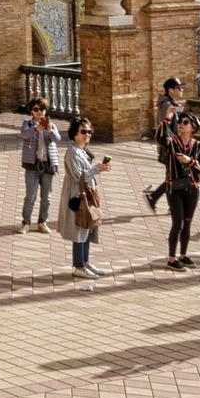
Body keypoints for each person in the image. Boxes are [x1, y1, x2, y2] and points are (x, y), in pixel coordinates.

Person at [56, 116, 111, 278]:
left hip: (87, 194)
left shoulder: (81, 149)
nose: (87, 135)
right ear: (75, 133)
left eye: (89, 132)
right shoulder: (72, 152)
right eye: (83, 132)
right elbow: (78, 177)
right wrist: (97, 169)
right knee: (79, 229)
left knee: (87, 226)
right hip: (77, 196)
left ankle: (85, 262)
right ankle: (78, 266)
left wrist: (97, 169)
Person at [161, 113, 200, 270]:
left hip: (192, 188)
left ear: (193, 127)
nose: (181, 124)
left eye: (185, 122)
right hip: (174, 188)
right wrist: (167, 118)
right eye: (180, 121)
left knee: (187, 222)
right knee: (178, 223)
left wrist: (190, 162)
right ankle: (171, 258)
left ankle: (183, 255)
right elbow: (160, 137)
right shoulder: (172, 142)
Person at [18, 98, 60, 234]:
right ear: (31, 111)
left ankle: (42, 222)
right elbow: (24, 135)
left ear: (46, 111)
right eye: (36, 109)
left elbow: (57, 139)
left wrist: (50, 130)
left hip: (48, 164)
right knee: (30, 196)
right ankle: (26, 223)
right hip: (32, 165)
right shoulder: (28, 124)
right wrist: (36, 129)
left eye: (42, 109)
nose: (39, 112)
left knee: (46, 197)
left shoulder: (51, 125)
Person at [144, 77, 186, 211]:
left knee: (174, 176)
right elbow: (164, 127)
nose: (181, 90)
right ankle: (163, 201)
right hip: (170, 147)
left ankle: (159, 200)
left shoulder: (171, 104)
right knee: (175, 176)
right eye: (179, 87)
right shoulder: (167, 106)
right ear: (171, 90)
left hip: (174, 145)